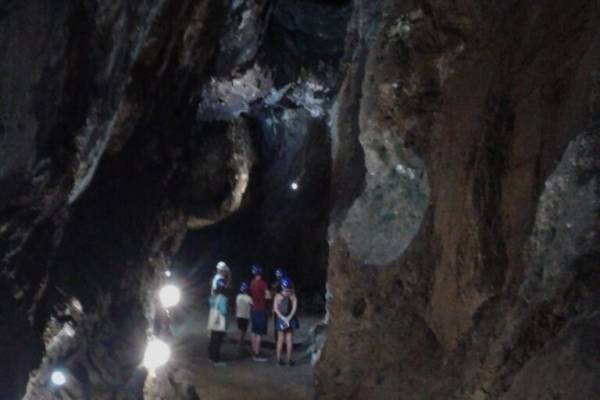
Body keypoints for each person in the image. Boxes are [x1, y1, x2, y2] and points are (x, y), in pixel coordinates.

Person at [273, 277, 299, 367]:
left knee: (280, 340)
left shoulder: (278, 296)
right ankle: (289, 361)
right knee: (289, 340)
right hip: (290, 319)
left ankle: (278, 360)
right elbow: (294, 309)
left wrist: (282, 318)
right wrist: (288, 318)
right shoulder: (292, 296)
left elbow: (276, 309)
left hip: (281, 319)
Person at [249, 264, 269, 361]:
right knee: (259, 333)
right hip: (261, 309)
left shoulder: (252, 282)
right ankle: (256, 354)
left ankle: (253, 351)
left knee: (254, 331)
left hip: (254, 309)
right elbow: (268, 296)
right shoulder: (263, 283)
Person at [207, 278, 228, 367]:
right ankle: (216, 360)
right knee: (218, 341)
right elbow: (223, 311)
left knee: (212, 340)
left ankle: (211, 357)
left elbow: (210, 304)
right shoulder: (222, 298)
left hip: (212, 320)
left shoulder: (212, 297)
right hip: (219, 323)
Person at [235, 282, 253, 354]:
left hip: (239, 316)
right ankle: (240, 347)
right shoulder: (249, 298)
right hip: (245, 316)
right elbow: (252, 306)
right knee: (243, 332)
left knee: (241, 332)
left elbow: (236, 306)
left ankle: (240, 346)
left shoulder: (238, 296)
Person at [271, 267, 286, 342]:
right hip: (283, 307)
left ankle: (278, 342)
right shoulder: (284, 283)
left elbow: (273, 295)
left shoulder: (276, 284)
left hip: (279, 306)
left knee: (278, 325)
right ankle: (280, 342)